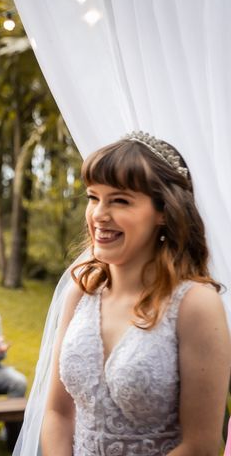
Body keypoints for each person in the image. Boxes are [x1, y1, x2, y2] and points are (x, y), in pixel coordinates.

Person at [33, 133, 231, 455]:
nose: (98, 214)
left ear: (164, 212)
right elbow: (58, 412)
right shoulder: (80, 295)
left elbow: (202, 445)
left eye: (120, 200)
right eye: (93, 197)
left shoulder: (195, 304)